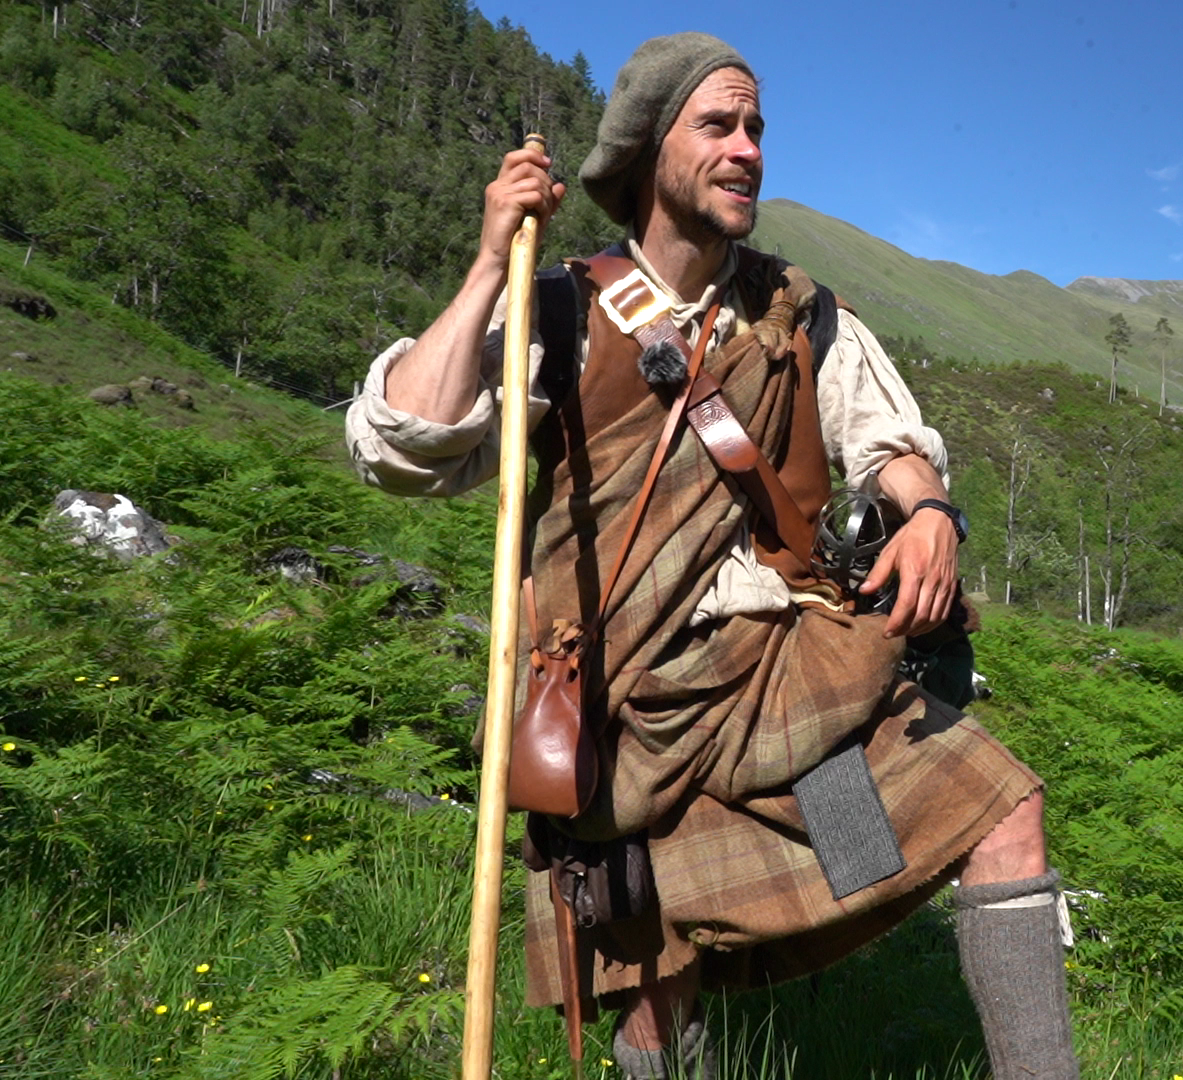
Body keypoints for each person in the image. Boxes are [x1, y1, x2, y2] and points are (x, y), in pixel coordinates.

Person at [345, 31, 1077, 1080]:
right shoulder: (559, 308)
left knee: (1000, 813)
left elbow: (893, 446)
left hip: (791, 695)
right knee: (657, 979)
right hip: (621, 712)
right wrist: (486, 258)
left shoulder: (800, 315)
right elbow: (399, 451)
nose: (747, 151)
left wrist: (928, 516)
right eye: (718, 126)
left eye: (756, 129)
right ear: (649, 149)